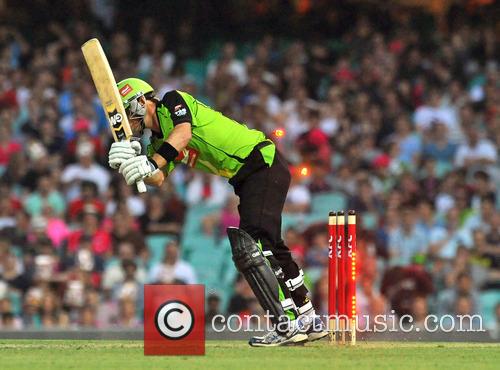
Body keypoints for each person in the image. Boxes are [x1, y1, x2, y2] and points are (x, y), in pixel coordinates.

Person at [107, 78, 327, 346]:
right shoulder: (157, 142)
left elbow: (183, 134)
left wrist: (149, 161)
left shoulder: (172, 102)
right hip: (248, 177)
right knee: (269, 245)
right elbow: (158, 177)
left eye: (126, 113)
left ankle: (286, 324)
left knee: (251, 248)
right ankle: (308, 318)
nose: (126, 123)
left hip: (260, 161)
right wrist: (130, 164)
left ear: (141, 103)